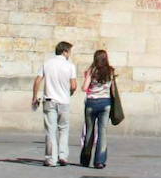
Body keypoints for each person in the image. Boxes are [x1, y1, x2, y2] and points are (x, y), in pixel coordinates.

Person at [31, 40, 77, 168]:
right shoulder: (70, 66)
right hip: (64, 101)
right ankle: (63, 156)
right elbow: (74, 85)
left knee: (50, 130)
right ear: (64, 51)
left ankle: (51, 159)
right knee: (63, 129)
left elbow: (37, 81)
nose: (70, 54)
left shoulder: (47, 64)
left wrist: (35, 96)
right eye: (69, 52)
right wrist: (69, 93)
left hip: (49, 100)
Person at [81, 49, 115, 169]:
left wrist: (88, 81)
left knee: (89, 131)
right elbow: (113, 89)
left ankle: (85, 159)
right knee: (102, 133)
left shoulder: (92, 70)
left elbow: (84, 88)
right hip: (105, 103)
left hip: (91, 103)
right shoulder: (110, 71)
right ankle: (99, 161)